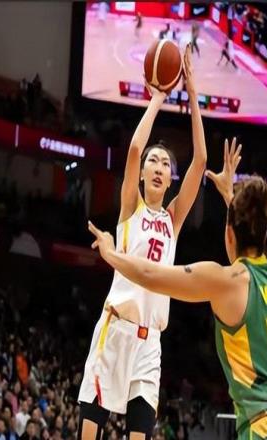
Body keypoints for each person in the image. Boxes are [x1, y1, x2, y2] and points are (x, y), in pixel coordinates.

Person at [88, 139, 267, 440]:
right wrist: (230, 195)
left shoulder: (226, 280)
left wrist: (110, 253)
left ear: (229, 234)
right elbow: (250, 232)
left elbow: (150, 273)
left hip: (266, 426)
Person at [78, 46, 207, 440]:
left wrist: (193, 93)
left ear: (170, 180)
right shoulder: (130, 208)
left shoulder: (173, 219)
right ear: (141, 174)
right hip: (115, 331)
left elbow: (201, 161)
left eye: (165, 164)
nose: (158, 167)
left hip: (150, 344)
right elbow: (135, 148)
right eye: (154, 161)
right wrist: (158, 98)